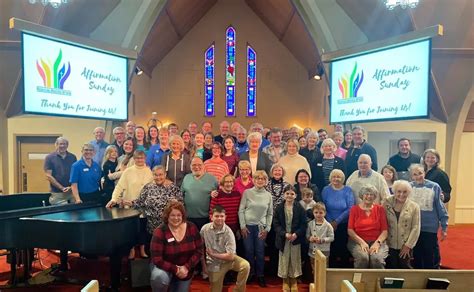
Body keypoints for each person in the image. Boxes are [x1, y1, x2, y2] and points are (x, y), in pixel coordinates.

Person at [106, 150, 154, 259]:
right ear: (134, 159)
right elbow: (119, 187)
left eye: (142, 158)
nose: (139, 160)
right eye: (137, 158)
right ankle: (131, 250)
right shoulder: (128, 172)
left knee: (142, 229)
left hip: (143, 207)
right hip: (129, 206)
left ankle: (142, 250)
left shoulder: (149, 172)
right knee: (131, 230)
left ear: (145, 159)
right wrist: (114, 199)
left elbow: (151, 189)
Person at [150, 201, 203, 292]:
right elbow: (157, 259)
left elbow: (199, 250)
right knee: (159, 277)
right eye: (172, 215)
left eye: (179, 215)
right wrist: (176, 269)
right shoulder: (160, 231)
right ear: (167, 216)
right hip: (164, 268)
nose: (176, 218)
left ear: (183, 216)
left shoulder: (192, 227)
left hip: (185, 269)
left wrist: (187, 267)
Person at [201, 205, 250, 292]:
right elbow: (200, 247)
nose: (219, 218)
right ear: (211, 217)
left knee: (245, 266)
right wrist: (204, 266)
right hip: (214, 263)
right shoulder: (204, 229)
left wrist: (213, 254)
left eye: (222, 216)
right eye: (216, 216)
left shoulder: (229, 232)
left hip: (229, 260)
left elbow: (231, 256)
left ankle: (238, 290)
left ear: (225, 217)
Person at [409, 164, 448, 269]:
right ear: (411, 176)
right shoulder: (409, 187)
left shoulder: (434, 186)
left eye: (420, 173)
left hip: (430, 227)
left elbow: (441, 207)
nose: (418, 176)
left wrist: (444, 227)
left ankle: (432, 277)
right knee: (416, 255)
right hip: (414, 227)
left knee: (430, 255)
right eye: (415, 174)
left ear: (424, 173)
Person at [238, 170, 273, 287]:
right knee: (248, 251)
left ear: (266, 181)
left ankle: (260, 275)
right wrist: (242, 226)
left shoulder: (268, 195)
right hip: (247, 227)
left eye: (263, 179)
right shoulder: (247, 193)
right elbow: (241, 210)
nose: (260, 180)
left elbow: (270, 214)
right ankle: (250, 273)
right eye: (258, 178)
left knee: (260, 251)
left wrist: (267, 228)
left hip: (261, 228)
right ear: (254, 180)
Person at [273, 185, 307, 292]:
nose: (289, 195)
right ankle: (285, 280)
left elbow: (303, 224)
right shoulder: (279, 208)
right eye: (287, 193)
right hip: (284, 239)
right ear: (284, 195)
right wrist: (284, 234)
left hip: (295, 239)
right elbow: (276, 224)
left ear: (295, 195)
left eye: (292, 194)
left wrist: (296, 234)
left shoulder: (299, 208)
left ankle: (293, 280)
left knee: (294, 259)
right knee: (284, 259)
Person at [347, 185, 389, 268]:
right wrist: (362, 242)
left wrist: (377, 243)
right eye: (366, 194)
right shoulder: (354, 209)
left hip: (377, 241)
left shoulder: (380, 209)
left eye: (371, 194)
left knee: (376, 259)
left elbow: (385, 231)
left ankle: (378, 281)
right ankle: (359, 281)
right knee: (363, 258)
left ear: (374, 196)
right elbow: (350, 230)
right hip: (357, 241)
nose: (369, 196)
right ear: (362, 195)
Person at [134, 165, 183, 234]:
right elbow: (140, 202)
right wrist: (128, 203)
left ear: (165, 175)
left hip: (169, 229)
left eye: (160, 175)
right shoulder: (148, 187)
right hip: (151, 228)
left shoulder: (173, 188)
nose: (158, 177)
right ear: (152, 175)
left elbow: (181, 205)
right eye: (155, 175)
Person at [383, 180, 420, 269]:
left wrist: (408, 245)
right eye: (399, 191)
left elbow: (416, 227)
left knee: (404, 268)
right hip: (389, 244)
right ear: (394, 191)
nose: (401, 194)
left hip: (405, 244)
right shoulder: (386, 203)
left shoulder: (414, 206)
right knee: (390, 268)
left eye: (405, 192)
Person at [322, 169, 354, 268]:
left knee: (343, 248)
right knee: (330, 249)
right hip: (328, 223)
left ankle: (343, 272)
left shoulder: (347, 190)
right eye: (334, 177)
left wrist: (336, 221)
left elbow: (350, 208)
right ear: (330, 178)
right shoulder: (326, 190)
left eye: (338, 177)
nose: (336, 179)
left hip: (343, 224)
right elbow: (323, 206)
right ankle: (330, 271)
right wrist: (330, 222)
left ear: (343, 179)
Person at [265, 163, 290, 276]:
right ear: (272, 172)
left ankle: (282, 268)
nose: (277, 172)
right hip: (269, 218)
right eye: (275, 171)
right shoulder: (266, 185)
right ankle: (271, 267)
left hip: (282, 219)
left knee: (280, 243)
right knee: (271, 243)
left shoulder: (287, 186)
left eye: (279, 171)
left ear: (282, 172)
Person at [181, 157, 218, 231]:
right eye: (194, 165)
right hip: (188, 218)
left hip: (206, 218)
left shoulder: (212, 179)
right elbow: (181, 195)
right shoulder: (186, 178)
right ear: (190, 166)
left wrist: (214, 195)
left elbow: (218, 196)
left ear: (204, 166)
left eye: (199, 164)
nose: (196, 167)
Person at [44, 137, 77, 205]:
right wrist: (62, 188)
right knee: (60, 213)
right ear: (56, 145)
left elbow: (75, 174)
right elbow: (48, 176)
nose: (62, 146)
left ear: (67, 145)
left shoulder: (73, 157)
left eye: (64, 144)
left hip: (71, 192)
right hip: (57, 193)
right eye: (60, 144)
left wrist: (71, 187)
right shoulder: (49, 158)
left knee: (74, 213)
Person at [307, 203, 334, 272]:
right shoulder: (310, 224)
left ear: (324, 213)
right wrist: (310, 238)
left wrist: (322, 240)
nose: (318, 214)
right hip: (313, 250)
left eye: (321, 213)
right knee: (314, 267)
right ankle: (315, 281)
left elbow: (331, 237)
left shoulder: (328, 225)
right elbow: (307, 235)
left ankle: (323, 282)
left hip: (324, 251)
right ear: (313, 213)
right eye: (316, 212)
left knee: (323, 268)